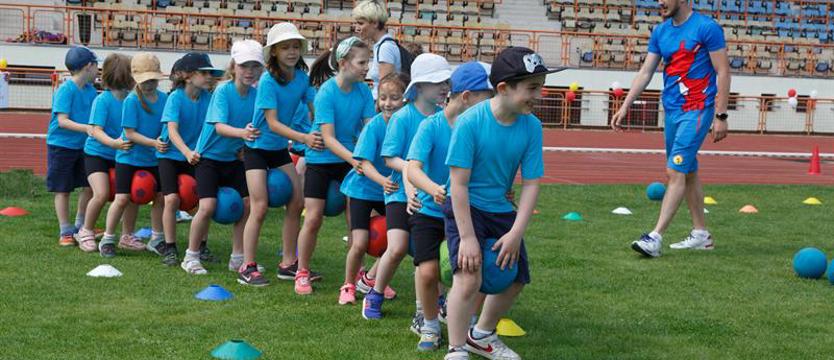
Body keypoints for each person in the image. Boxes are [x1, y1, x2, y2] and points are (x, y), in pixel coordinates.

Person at [443, 47, 558, 360]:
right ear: (504, 88)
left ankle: (481, 335)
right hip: (466, 207)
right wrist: (467, 238)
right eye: (532, 88)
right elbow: (458, 184)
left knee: (516, 278)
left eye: (540, 86)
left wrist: (516, 232)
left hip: (501, 209)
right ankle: (456, 349)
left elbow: (532, 182)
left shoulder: (531, 126)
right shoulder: (470, 123)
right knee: (469, 276)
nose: (539, 95)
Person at [611, 0, 730, 258]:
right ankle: (701, 235)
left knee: (674, 169)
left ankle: (655, 237)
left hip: (698, 109)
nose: (660, 2)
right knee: (688, 171)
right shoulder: (660, 32)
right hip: (673, 111)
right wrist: (625, 104)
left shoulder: (707, 28)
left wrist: (721, 114)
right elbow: (645, 72)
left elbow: (722, 71)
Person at [406, 61, 494, 351]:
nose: (491, 103)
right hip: (431, 212)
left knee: (473, 270)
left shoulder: (481, 129)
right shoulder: (431, 126)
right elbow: (413, 168)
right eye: (486, 96)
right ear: (466, 97)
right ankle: (429, 324)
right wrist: (432, 189)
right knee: (429, 272)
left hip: (466, 214)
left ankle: (465, 321)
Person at [363, 53, 451, 323]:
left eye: (447, 81)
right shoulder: (403, 117)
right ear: (421, 86)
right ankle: (374, 293)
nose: (445, 87)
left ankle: (437, 302)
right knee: (398, 246)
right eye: (439, 82)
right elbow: (389, 158)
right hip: (400, 193)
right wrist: (414, 172)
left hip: (431, 194)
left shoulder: (442, 117)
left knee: (437, 253)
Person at [241, 23, 322, 286]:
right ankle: (247, 265)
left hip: (277, 150)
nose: (291, 52)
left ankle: (288, 263)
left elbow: (314, 109)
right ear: (273, 52)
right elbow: (273, 123)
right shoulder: (267, 80)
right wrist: (305, 138)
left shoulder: (301, 78)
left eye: (295, 46)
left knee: (297, 202)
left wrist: (323, 129)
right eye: (285, 47)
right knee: (260, 206)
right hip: (256, 150)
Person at [297, 36, 376, 295]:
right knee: (314, 217)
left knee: (356, 220)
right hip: (322, 159)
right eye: (362, 62)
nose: (367, 67)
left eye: (369, 62)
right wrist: (355, 160)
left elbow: (369, 127)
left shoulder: (364, 91)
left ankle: (358, 276)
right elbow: (328, 138)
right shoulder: (327, 92)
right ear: (344, 63)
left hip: (348, 158)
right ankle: (302, 271)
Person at [182, 40, 263, 276]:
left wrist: (246, 145)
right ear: (234, 66)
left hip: (234, 159)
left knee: (247, 205)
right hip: (208, 157)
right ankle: (191, 256)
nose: (249, 71)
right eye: (244, 65)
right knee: (207, 206)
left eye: (255, 66)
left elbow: (259, 126)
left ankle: (238, 258)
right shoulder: (223, 91)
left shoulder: (257, 95)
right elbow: (219, 126)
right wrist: (243, 134)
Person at [338, 72, 408, 305]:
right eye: (383, 98)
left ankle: (371, 280)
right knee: (359, 243)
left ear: (405, 99)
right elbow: (363, 163)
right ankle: (348, 285)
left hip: (390, 191)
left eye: (394, 98)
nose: (388, 103)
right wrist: (382, 181)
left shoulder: (408, 125)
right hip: (363, 190)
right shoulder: (374, 127)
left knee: (400, 239)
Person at [154, 52, 222, 265]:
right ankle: (170, 247)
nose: (209, 77)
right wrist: (186, 152)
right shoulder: (175, 97)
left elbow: (215, 127)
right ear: (188, 76)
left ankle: (201, 246)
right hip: (171, 155)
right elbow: (172, 131)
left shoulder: (209, 99)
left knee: (205, 201)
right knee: (172, 199)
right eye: (204, 73)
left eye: (211, 73)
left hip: (195, 155)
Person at [101, 53, 169, 258]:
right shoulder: (132, 100)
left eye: (152, 79)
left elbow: (166, 125)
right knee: (122, 198)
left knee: (160, 198)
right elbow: (129, 133)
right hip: (129, 157)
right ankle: (107, 238)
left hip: (153, 158)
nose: (149, 84)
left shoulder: (164, 99)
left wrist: (163, 139)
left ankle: (157, 239)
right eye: (144, 80)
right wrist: (154, 143)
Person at [77, 53, 138, 253]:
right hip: (98, 154)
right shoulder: (102, 100)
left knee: (131, 194)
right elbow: (95, 130)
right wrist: (114, 143)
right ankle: (85, 231)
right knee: (101, 193)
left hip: (122, 154)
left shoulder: (133, 99)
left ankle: (127, 235)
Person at [47, 46, 97, 247]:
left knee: (90, 185)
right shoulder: (65, 90)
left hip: (84, 146)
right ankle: (65, 230)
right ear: (88, 66)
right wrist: (88, 128)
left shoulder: (91, 90)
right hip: (61, 146)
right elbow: (62, 121)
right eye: (96, 66)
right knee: (63, 189)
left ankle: (81, 225)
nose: (97, 70)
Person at [353, 0, 400, 99]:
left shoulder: (385, 48)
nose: (356, 28)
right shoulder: (381, 45)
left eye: (361, 23)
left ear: (375, 23)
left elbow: (385, 90)